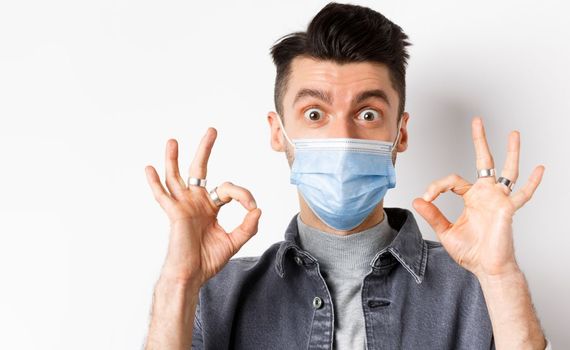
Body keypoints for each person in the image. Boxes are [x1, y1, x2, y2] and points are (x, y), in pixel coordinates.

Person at [142, 2, 552, 349]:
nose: (342, 136)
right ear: (277, 131)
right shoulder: (214, 294)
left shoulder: (476, 288)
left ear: (400, 132)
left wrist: (500, 276)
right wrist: (180, 280)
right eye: (315, 114)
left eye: (367, 113)